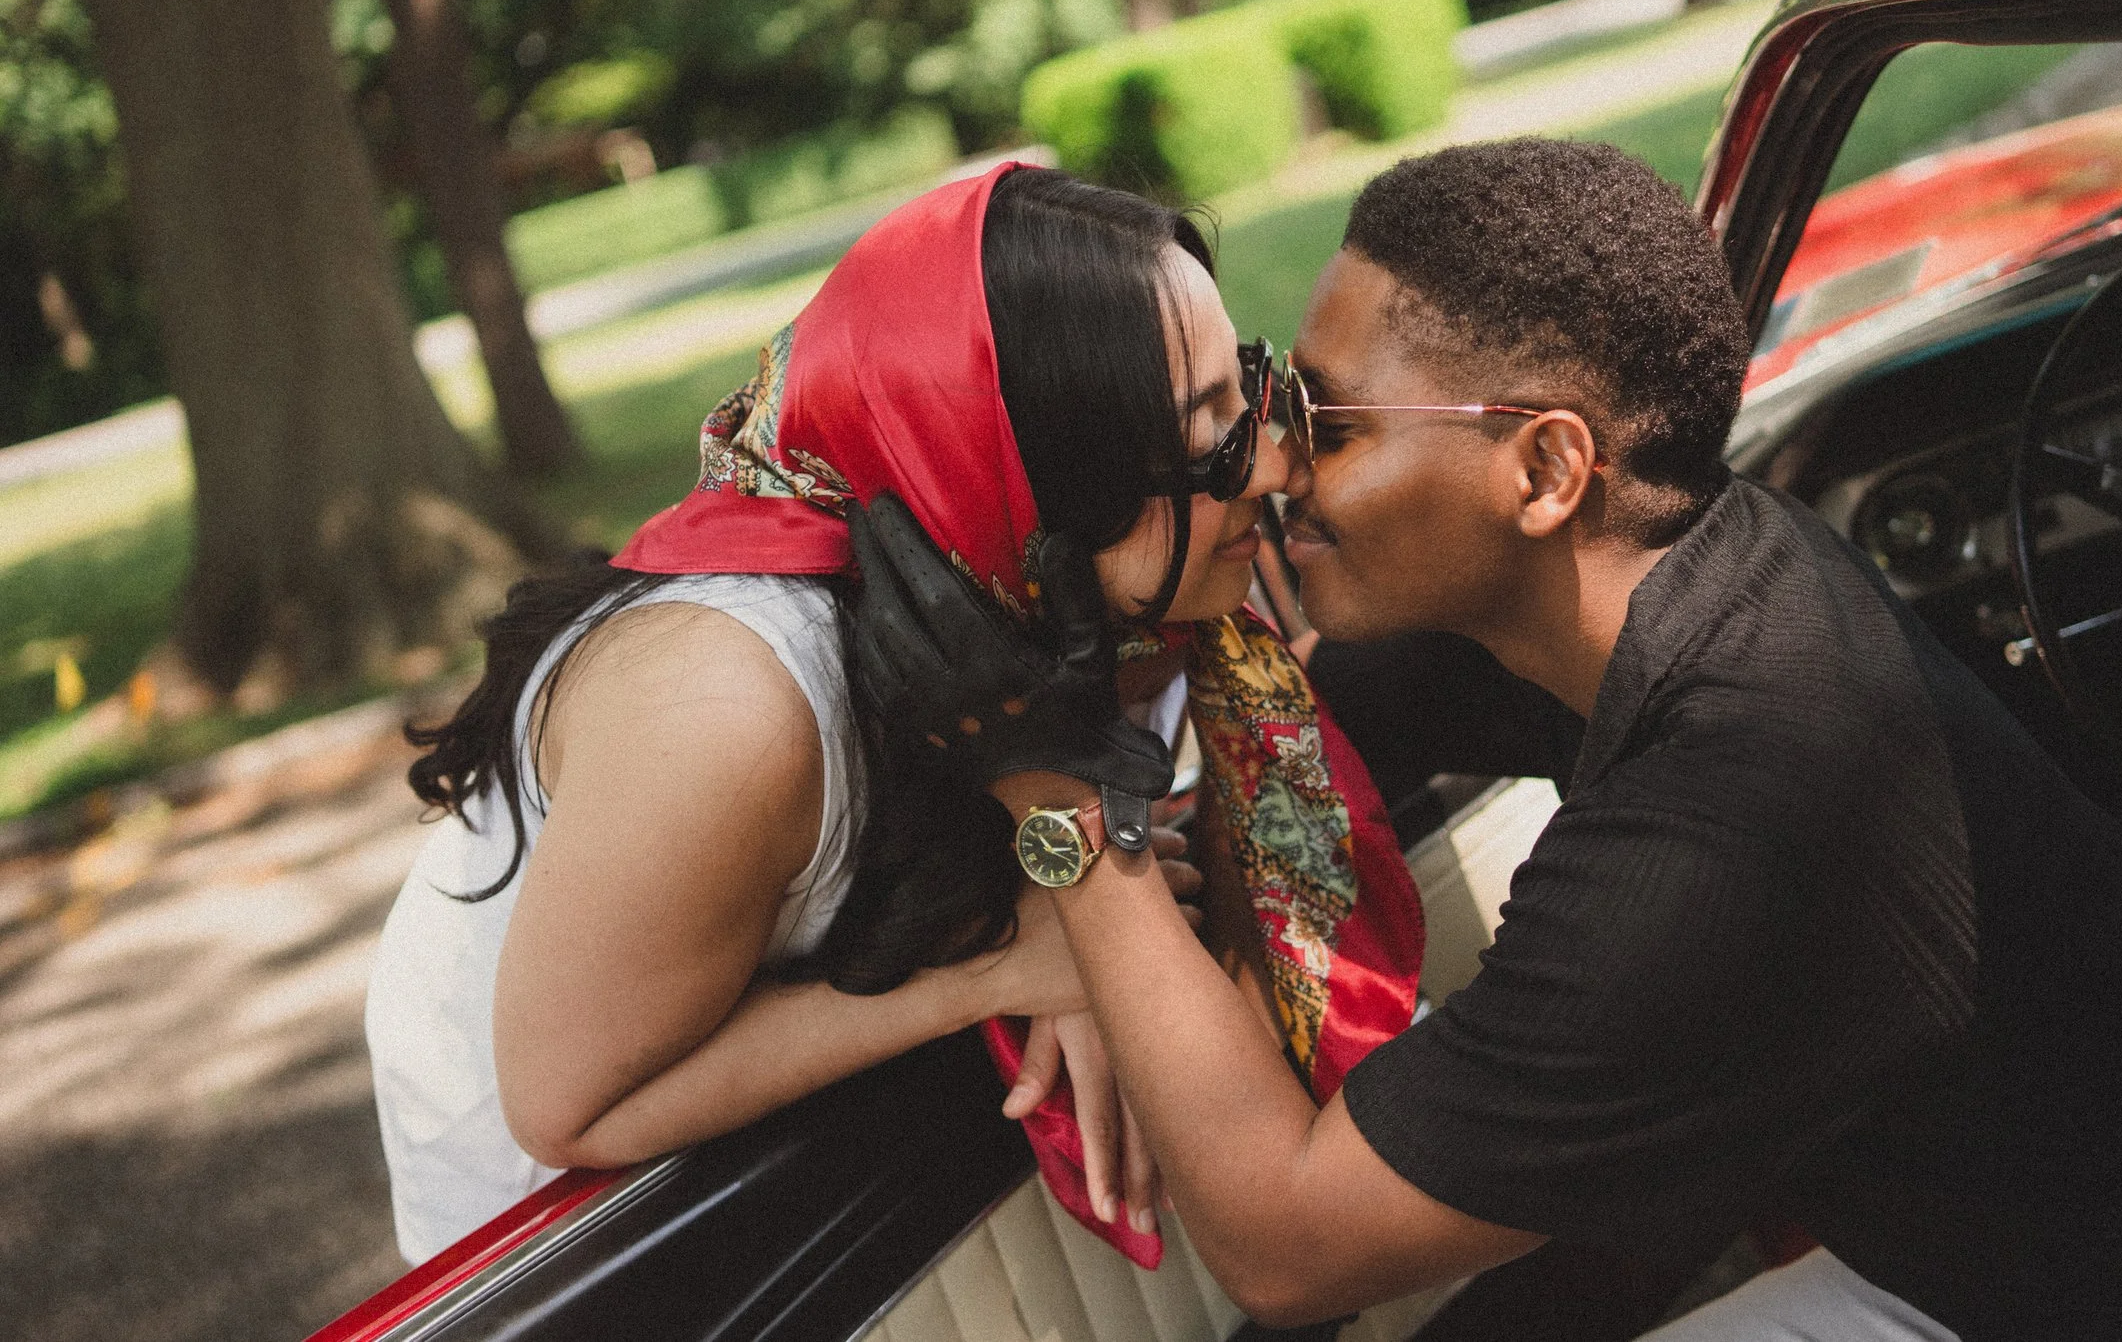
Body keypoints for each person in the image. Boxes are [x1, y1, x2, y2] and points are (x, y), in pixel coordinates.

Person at [851, 137, 2122, 1342]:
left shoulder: (1735, 815)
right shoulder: (1662, 571)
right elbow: (1291, 722)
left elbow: (1287, 1244)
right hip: (2032, 1257)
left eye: (1327, 422)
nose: (1276, 462)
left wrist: (1056, 799)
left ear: (1544, 469)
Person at [363, 161, 1422, 1267]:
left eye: (1244, 389)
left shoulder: (1101, 588)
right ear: (1030, 477)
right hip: (580, 1213)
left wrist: (1061, 885)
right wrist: (1001, 961)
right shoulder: (726, 705)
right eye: (1205, 435)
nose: (1276, 461)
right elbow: (569, 1107)